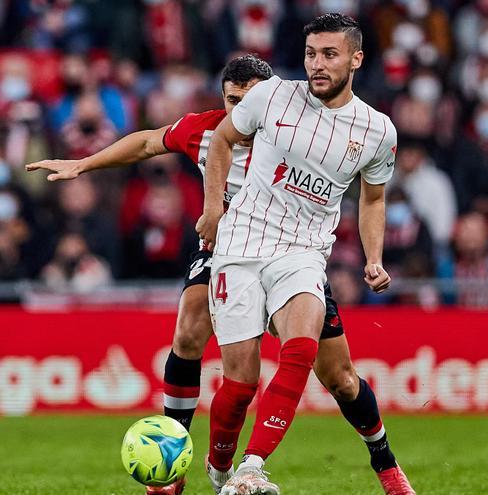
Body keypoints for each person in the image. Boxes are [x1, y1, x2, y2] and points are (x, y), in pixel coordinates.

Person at [27, 54, 412, 495]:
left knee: (340, 378)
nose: (240, 110)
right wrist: (83, 164)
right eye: (232, 100)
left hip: (292, 254)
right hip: (227, 251)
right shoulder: (207, 130)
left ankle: (386, 464)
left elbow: (353, 187)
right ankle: (173, 459)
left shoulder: (297, 131)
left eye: (249, 100)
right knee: (191, 326)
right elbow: (149, 142)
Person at [194, 15, 412, 495]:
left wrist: (373, 257)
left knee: (309, 351)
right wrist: (213, 210)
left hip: (303, 252)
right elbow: (223, 141)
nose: (317, 63)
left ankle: (255, 466)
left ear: (356, 59)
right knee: (241, 382)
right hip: (242, 245)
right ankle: (220, 468)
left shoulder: (377, 130)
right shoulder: (271, 95)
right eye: (311, 53)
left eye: (329, 54)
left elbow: (372, 198)